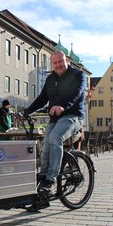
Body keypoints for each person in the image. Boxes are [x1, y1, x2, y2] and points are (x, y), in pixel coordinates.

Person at [24, 51, 85, 195]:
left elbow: (76, 93)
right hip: (55, 118)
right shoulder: (51, 78)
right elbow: (42, 98)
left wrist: (63, 105)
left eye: (60, 62)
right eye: (55, 63)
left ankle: (51, 179)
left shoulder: (78, 75)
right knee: (45, 144)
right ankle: (43, 175)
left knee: (55, 137)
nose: (58, 65)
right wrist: (27, 111)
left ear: (67, 60)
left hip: (73, 116)